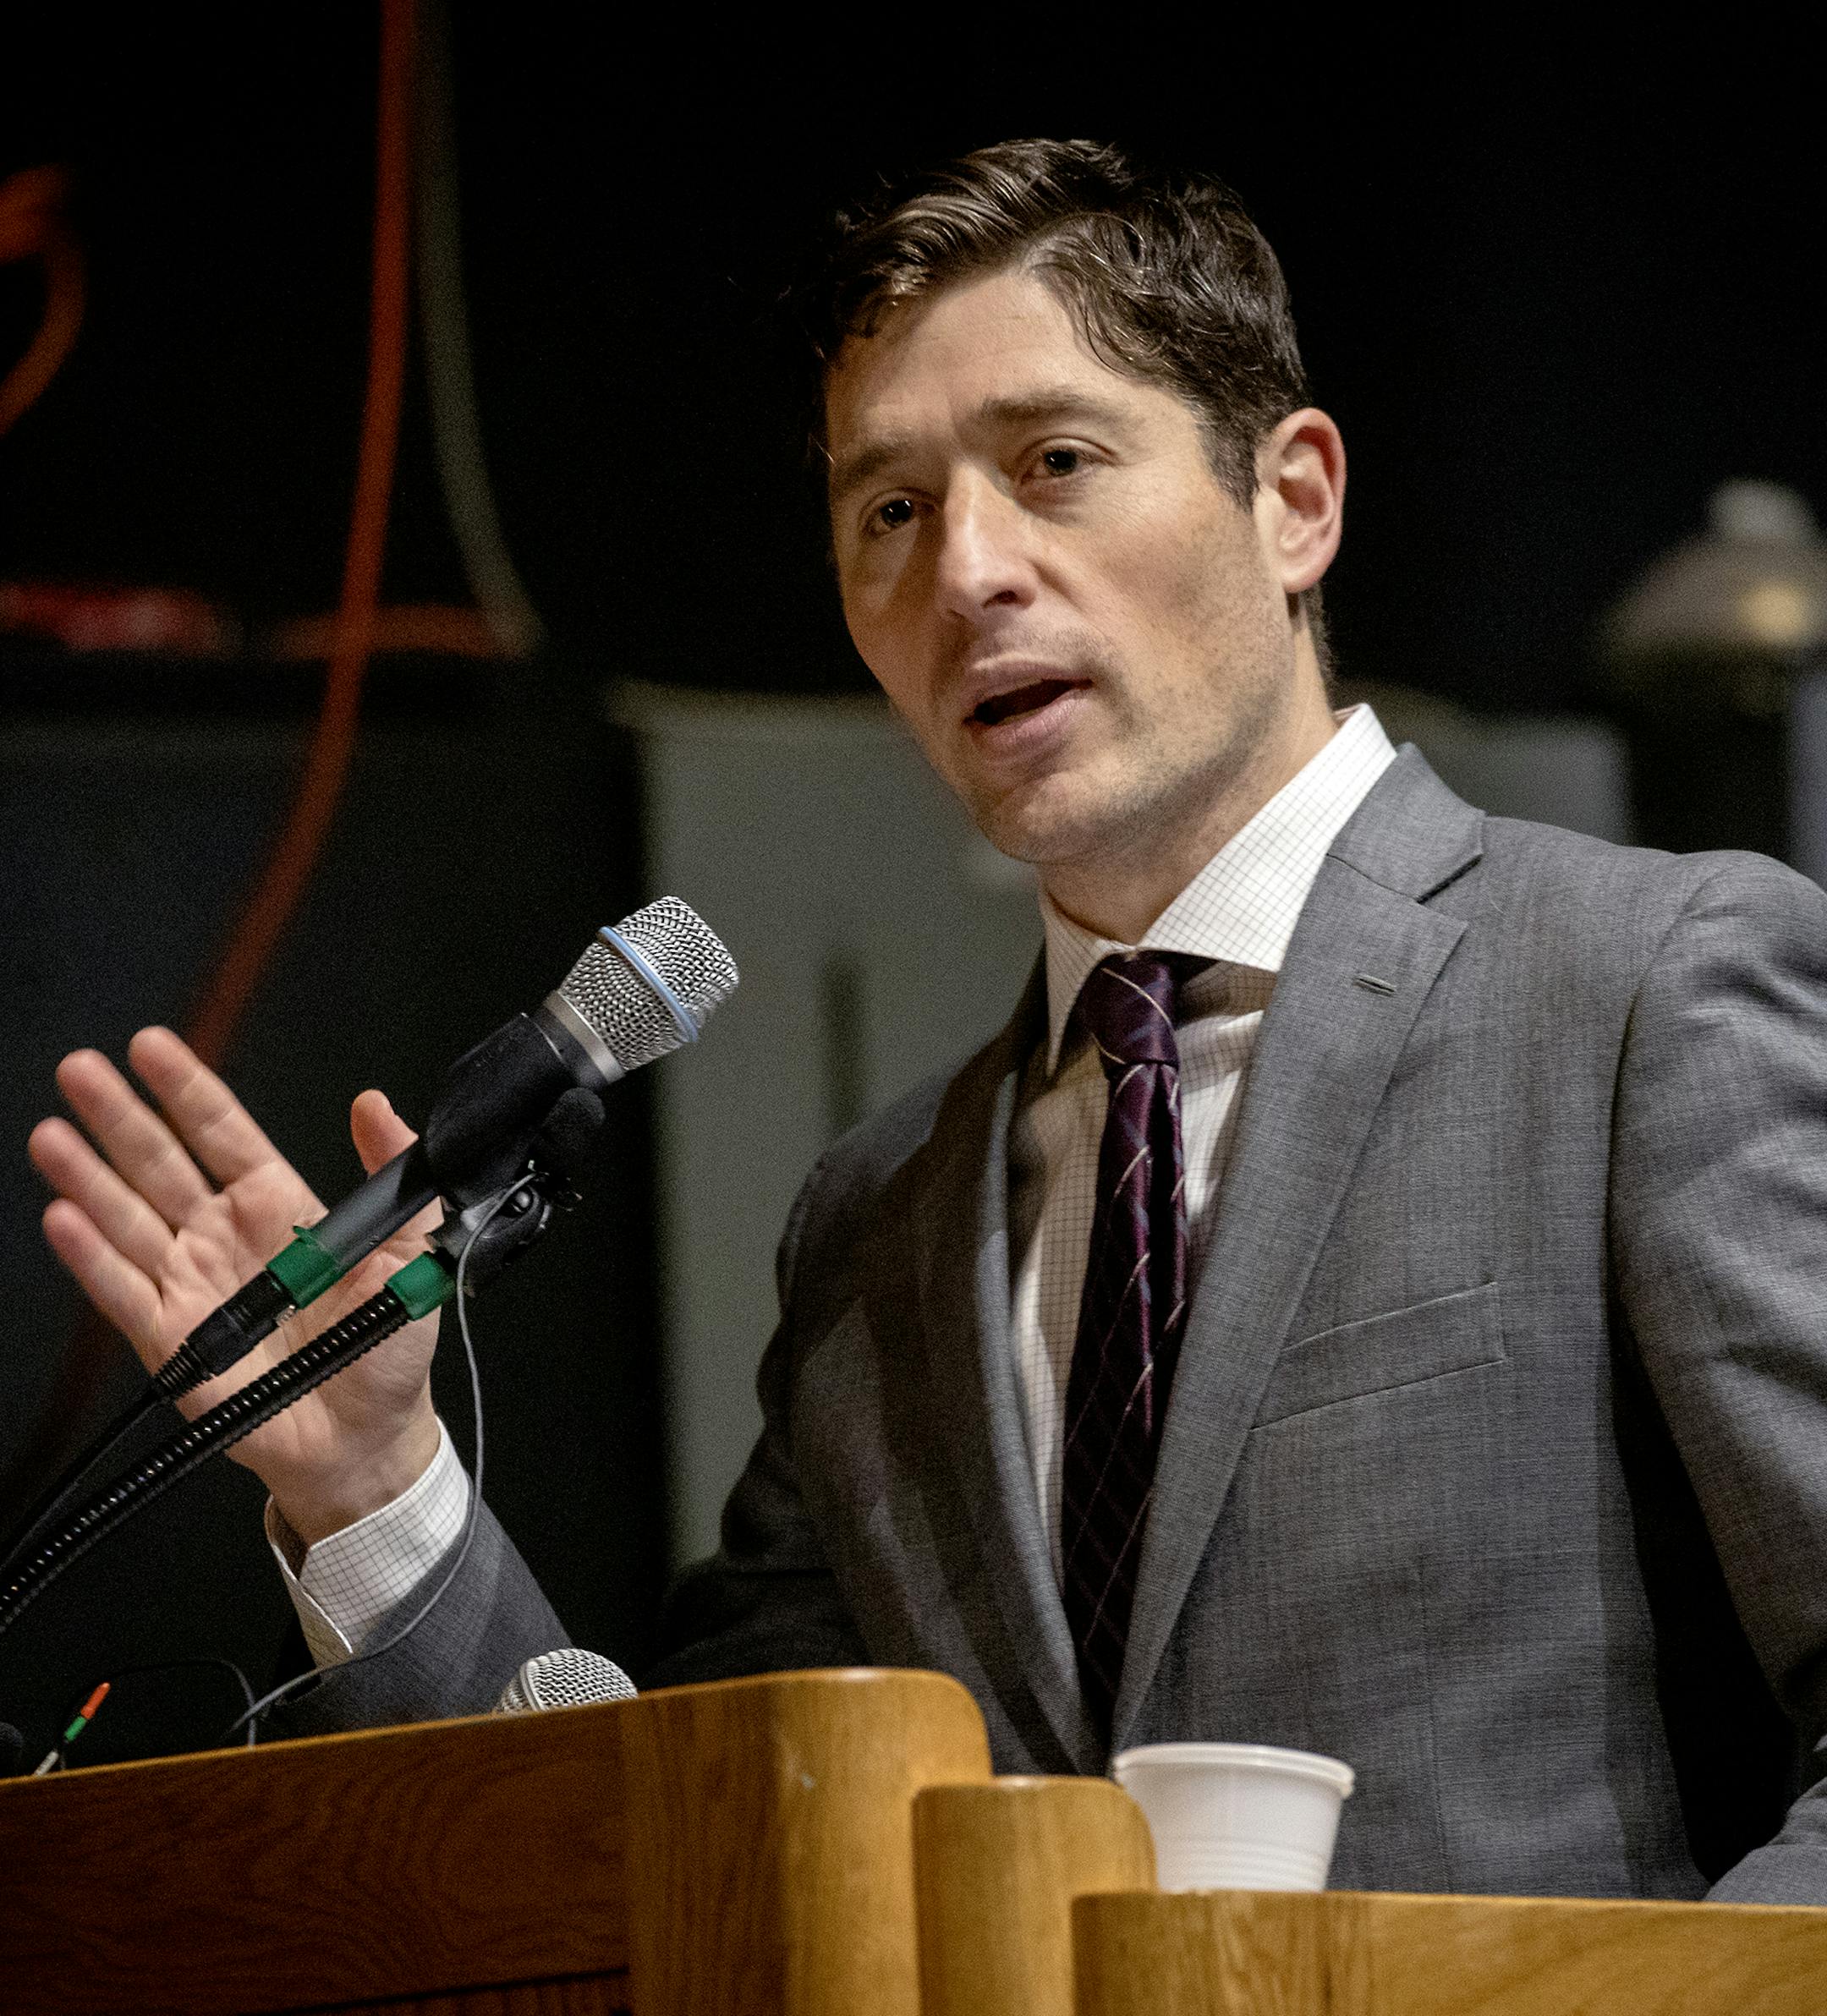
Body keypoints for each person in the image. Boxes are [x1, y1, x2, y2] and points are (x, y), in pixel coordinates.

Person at [29, 140, 1827, 1903]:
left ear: (1295, 498)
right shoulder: (882, 1214)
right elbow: (707, 1849)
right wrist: (376, 1487)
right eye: (890, 509)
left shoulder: (1646, 992)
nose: (967, 570)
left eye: (1054, 461)